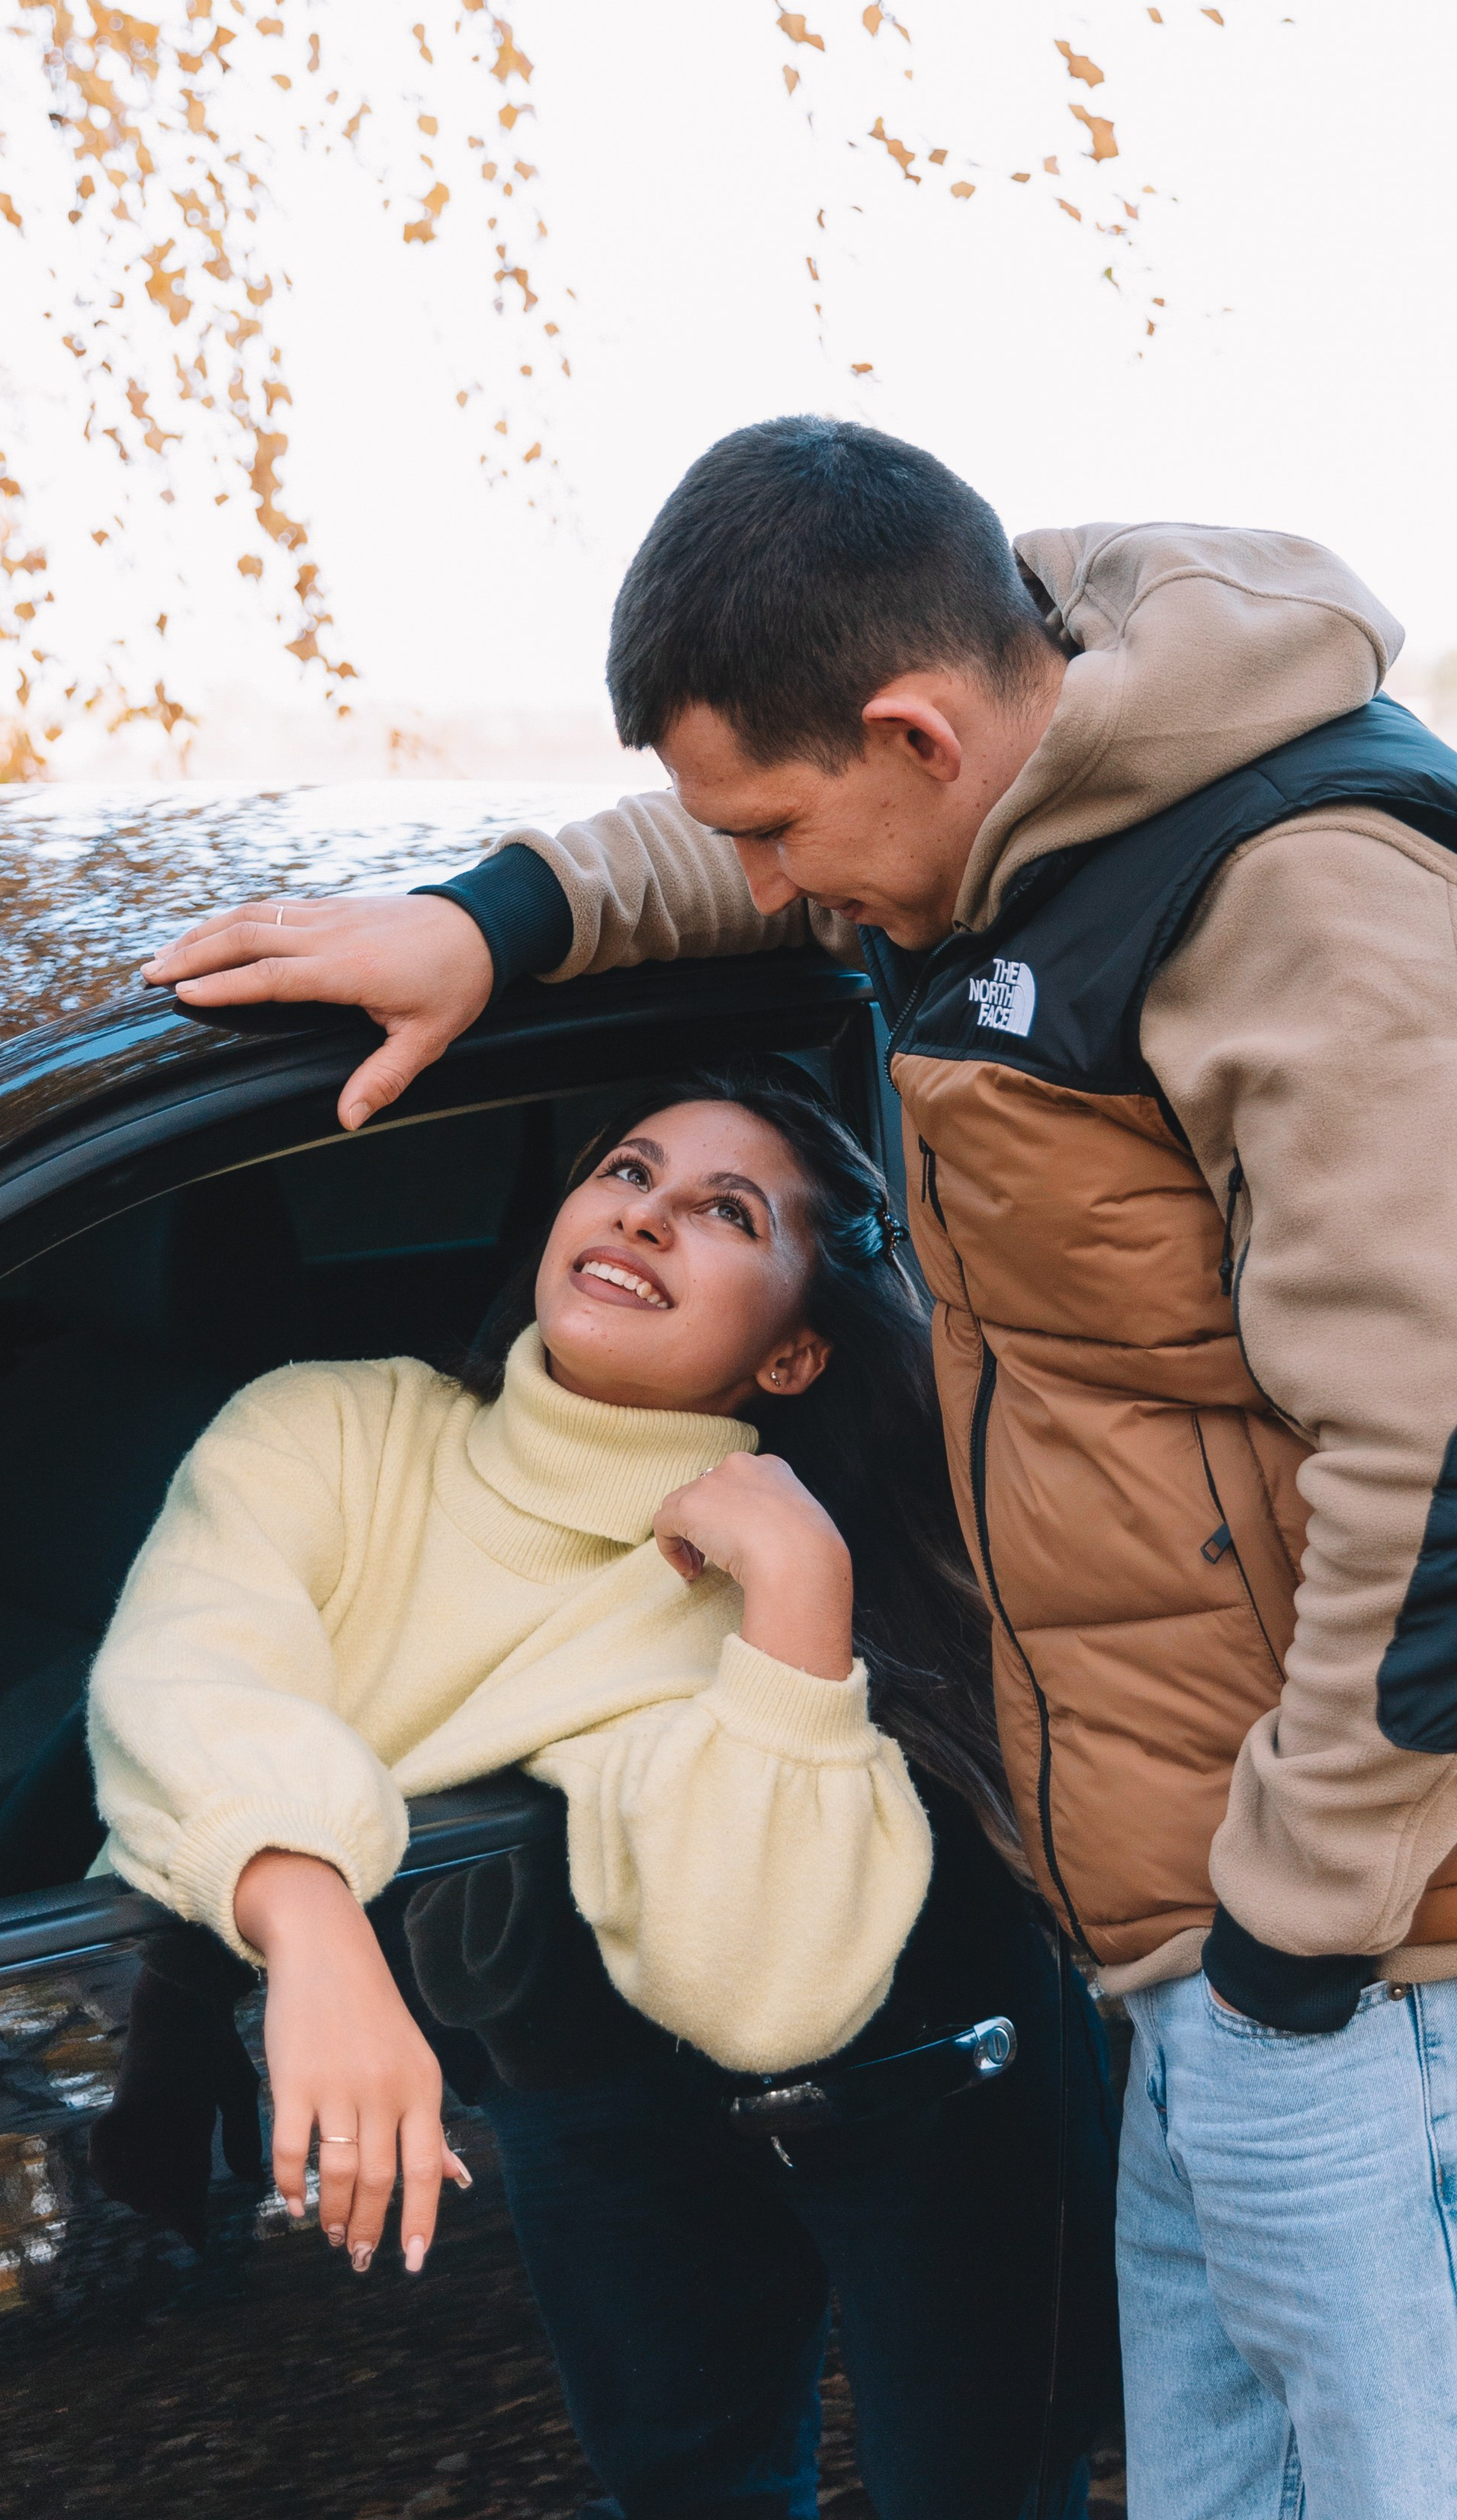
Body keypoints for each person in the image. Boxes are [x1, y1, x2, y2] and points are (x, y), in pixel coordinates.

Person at [144, 418, 1457, 2520]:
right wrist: (496, 925)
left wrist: (1284, 1963)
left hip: (1416, 1956)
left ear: (918, 730)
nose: (770, 892)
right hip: (1235, 1951)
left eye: (784, 831)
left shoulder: (1321, 912)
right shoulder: (1030, 760)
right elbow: (736, 831)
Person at [88, 1064, 1118, 2520]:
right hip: (479, 2064)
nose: (644, 1217)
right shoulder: (330, 1429)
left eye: (724, 1211)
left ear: (794, 1359)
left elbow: (759, 1990)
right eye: (627, 1171)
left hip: (703, 2099)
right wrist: (313, 1924)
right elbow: (187, 1672)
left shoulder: (747, 1590)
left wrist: (800, 1598)